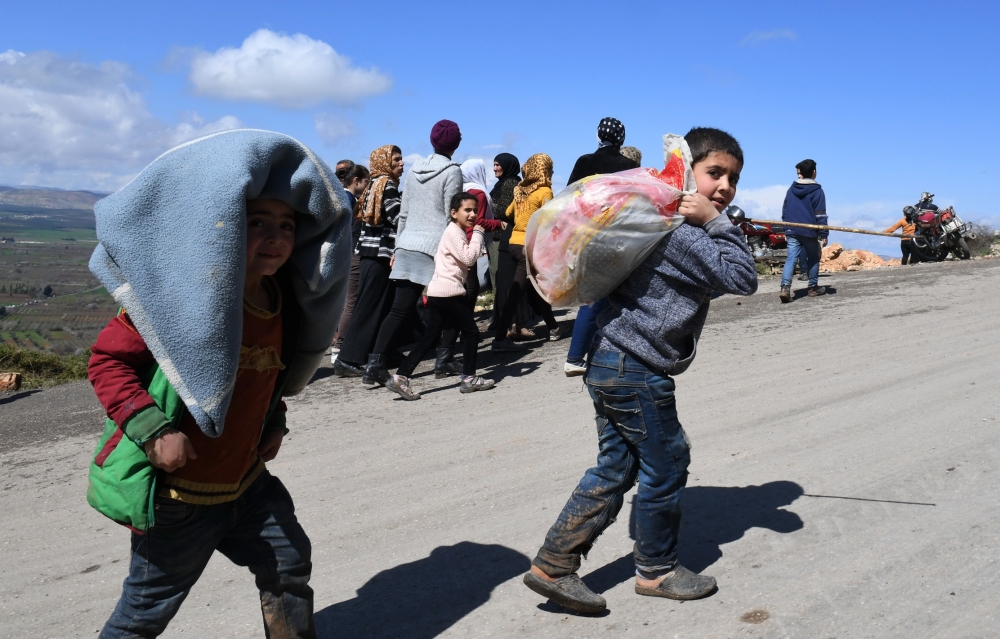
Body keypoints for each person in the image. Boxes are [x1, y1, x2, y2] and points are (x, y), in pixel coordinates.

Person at [86, 130, 351, 638]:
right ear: (223, 227)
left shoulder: (284, 303)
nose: (274, 237)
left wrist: (274, 419)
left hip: (246, 483)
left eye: (286, 225)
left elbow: (269, 373)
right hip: (179, 500)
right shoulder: (175, 302)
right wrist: (155, 432)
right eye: (256, 223)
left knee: (288, 563)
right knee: (144, 614)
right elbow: (106, 363)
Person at [522, 127, 757, 614]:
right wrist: (718, 222)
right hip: (636, 368)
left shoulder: (657, 220)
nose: (724, 187)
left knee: (618, 465)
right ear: (685, 169)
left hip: (609, 360)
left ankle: (554, 564)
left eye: (732, 179)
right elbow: (742, 277)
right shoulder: (677, 233)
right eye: (714, 173)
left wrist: (715, 220)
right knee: (668, 462)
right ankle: (657, 570)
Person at [364, 120, 464, 384]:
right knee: (454, 302)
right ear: (457, 143)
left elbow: (404, 213)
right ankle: (444, 359)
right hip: (434, 246)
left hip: (407, 242)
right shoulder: (453, 171)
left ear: (432, 141)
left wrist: (398, 246)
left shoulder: (414, 170)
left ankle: (373, 363)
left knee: (398, 309)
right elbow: (450, 214)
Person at [385, 193, 497, 400]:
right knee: (471, 333)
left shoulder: (455, 231)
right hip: (449, 292)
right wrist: (479, 233)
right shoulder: (454, 232)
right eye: (467, 210)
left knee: (430, 338)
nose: (472, 214)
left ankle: (400, 376)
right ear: (454, 213)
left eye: (475, 210)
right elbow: (468, 258)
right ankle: (469, 378)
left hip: (439, 291)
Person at [563, 118, 640, 376]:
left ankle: (598, 353)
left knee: (594, 294)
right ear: (621, 139)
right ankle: (575, 358)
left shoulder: (584, 162)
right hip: (618, 238)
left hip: (588, 237)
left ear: (598, 135)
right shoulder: (628, 166)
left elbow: (569, 198)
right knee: (615, 295)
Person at [334, 146, 404, 380]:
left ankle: (382, 351)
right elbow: (397, 218)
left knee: (380, 304)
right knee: (370, 306)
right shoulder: (388, 186)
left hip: (367, 252)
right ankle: (347, 359)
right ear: (385, 162)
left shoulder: (372, 184)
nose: (401, 163)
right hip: (382, 253)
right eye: (396, 159)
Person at [491, 153, 567, 352]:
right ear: (543, 170)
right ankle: (499, 339)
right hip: (528, 246)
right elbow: (551, 218)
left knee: (535, 287)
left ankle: (553, 327)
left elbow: (508, 213)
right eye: (549, 168)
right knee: (516, 293)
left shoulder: (520, 190)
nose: (552, 172)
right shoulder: (544, 191)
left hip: (513, 244)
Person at [332, 162, 371, 354]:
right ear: (356, 181)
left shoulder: (344, 198)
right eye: (366, 182)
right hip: (349, 254)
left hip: (345, 254)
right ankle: (340, 346)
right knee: (350, 301)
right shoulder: (348, 200)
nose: (367, 186)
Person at [778, 159, 828, 302]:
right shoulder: (817, 191)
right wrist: (824, 233)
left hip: (792, 230)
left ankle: (785, 288)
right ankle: (812, 288)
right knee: (813, 258)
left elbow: (785, 209)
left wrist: (786, 228)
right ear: (814, 172)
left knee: (791, 259)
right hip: (809, 231)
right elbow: (820, 214)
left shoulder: (791, 189)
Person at [460, 158, 505, 311]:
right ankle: (466, 327)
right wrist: (498, 224)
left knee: (463, 285)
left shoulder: (461, 190)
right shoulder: (478, 193)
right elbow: (478, 221)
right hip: (471, 240)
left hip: (457, 239)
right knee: (472, 287)